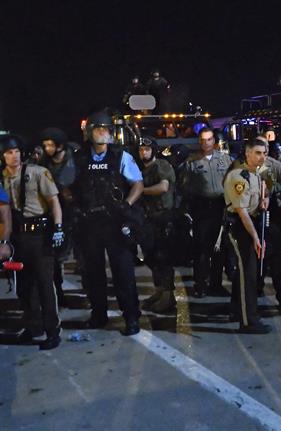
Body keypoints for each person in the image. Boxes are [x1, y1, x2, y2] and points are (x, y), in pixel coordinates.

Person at [72, 110, 144, 335]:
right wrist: (72, 203)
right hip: (89, 223)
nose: (104, 133)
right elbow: (65, 183)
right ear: (89, 132)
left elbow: (138, 184)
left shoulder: (121, 156)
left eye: (107, 129)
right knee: (93, 272)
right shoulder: (79, 158)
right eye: (99, 129)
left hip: (115, 222)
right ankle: (99, 314)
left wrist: (128, 205)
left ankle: (131, 317)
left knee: (123, 272)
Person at [1, 134, 63, 349]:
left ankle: (52, 331)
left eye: (17, 151)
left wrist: (58, 228)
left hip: (39, 234)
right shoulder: (3, 178)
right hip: (19, 236)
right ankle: (32, 326)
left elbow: (54, 201)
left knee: (45, 285)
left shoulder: (37, 172)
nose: (14, 156)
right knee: (24, 287)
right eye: (9, 152)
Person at [224, 139, 271, 333]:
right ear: (247, 153)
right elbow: (241, 211)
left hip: (251, 223)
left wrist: (265, 198)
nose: (262, 157)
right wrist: (255, 237)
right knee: (248, 275)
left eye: (264, 153)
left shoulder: (256, 175)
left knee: (247, 273)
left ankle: (237, 310)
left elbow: (259, 197)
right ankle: (248, 321)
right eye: (258, 153)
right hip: (240, 226)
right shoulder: (239, 176)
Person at [179, 127, 232, 298]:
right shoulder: (191, 161)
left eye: (209, 139)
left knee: (220, 248)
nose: (206, 143)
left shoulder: (225, 159)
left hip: (221, 206)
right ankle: (200, 284)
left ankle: (216, 284)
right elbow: (185, 186)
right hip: (202, 208)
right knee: (202, 248)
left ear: (214, 141)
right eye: (202, 140)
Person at [255, 131, 281, 313]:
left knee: (278, 261)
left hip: (274, 216)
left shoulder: (276, 165)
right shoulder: (242, 166)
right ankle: (255, 293)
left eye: (266, 149)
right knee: (256, 260)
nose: (263, 152)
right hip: (253, 217)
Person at [137, 137, 178, 312]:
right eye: (141, 150)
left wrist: (140, 191)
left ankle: (168, 296)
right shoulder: (139, 168)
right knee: (151, 256)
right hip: (147, 218)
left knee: (164, 257)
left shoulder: (161, 165)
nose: (143, 152)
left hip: (163, 217)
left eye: (146, 149)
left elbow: (163, 187)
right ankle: (159, 291)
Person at [39, 127, 77, 302]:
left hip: (76, 212)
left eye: (51, 145)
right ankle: (58, 292)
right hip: (54, 212)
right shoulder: (43, 163)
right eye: (45, 145)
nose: (48, 148)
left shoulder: (75, 160)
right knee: (54, 257)